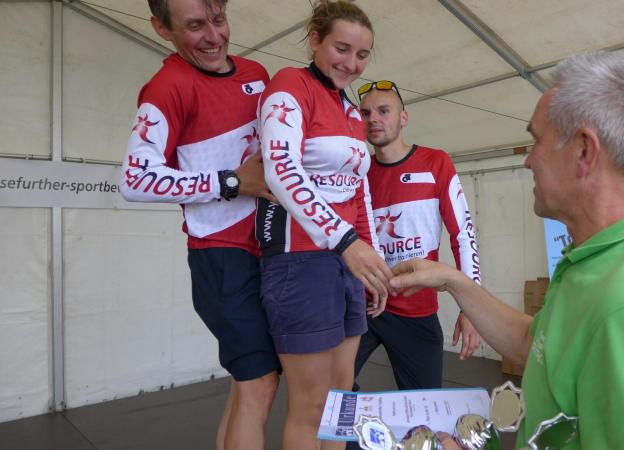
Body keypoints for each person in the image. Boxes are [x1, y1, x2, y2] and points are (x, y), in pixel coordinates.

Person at [390, 52, 624, 450]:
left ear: (583, 151)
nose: (527, 160)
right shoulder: (598, 263)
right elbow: (535, 345)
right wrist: (453, 280)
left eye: (536, 140)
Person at [119, 1, 279, 449]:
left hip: (267, 247)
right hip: (220, 256)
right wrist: (230, 182)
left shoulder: (257, 73)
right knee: (260, 380)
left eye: (219, 20)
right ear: (161, 28)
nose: (213, 36)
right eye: (194, 26)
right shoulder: (166, 88)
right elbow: (134, 179)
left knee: (249, 381)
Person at [255, 2, 392, 449]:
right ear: (315, 39)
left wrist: (372, 262)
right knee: (312, 404)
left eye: (362, 54)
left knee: (343, 398)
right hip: (299, 261)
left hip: (346, 262)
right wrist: (348, 241)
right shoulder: (289, 85)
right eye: (342, 49)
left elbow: (358, 190)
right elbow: (280, 171)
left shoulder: (351, 110)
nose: (351, 63)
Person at [352, 81, 483, 392]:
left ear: (404, 118)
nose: (373, 119)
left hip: (416, 312)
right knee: (327, 391)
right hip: (363, 308)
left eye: (384, 111)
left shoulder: (436, 163)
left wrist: (472, 307)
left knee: (424, 408)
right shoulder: (357, 172)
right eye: (366, 113)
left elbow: (463, 235)